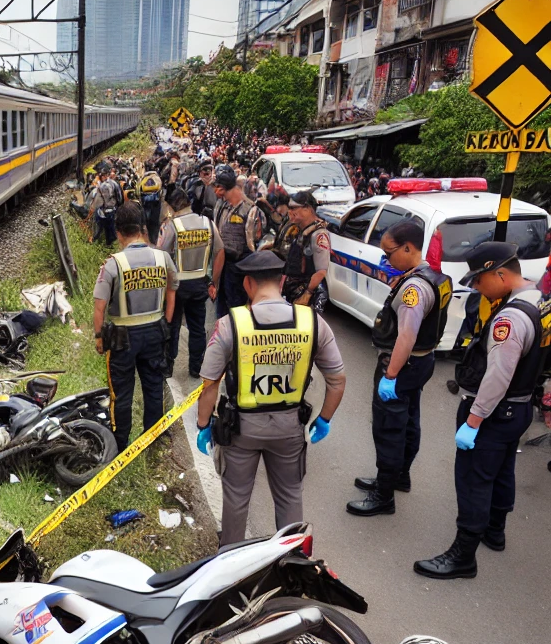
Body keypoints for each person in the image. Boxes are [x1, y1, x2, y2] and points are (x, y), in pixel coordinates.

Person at [414, 244, 551, 579]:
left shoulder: (509, 318)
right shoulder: (537, 298)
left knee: (474, 479)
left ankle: (463, 556)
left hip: (494, 411)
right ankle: (495, 530)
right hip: (517, 410)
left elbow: (498, 376)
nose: (476, 288)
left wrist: (474, 421)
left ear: (500, 274)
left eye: (479, 280)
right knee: (502, 469)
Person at [195, 251, 345, 544]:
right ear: (283, 280)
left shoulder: (231, 324)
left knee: (237, 500)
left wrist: (203, 425)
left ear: (248, 283)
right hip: (289, 427)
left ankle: (231, 566)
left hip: (241, 429)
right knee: (290, 496)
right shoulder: (312, 322)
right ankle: (291, 563)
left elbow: (210, 383)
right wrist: (324, 419)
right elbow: (337, 380)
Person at [348, 220, 451, 516]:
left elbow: (406, 336)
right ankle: (397, 477)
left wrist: (390, 375)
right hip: (422, 362)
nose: (386, 260)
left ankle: (384, 495)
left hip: (402, 364)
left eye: (389, 253)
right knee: (408, 420)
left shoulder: (414, 288)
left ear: (408, 248)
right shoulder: (434, 276)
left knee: (390, 427)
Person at [93, 201, 178, 452]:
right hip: (155, 331)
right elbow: (172, 291)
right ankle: (152, 438)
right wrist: (167, 322)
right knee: (153, 386)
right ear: (142, 228)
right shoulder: (162, 258)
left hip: (122, 337)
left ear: (118, 232)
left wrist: (99, 336)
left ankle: (120, 444)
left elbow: (100, 306)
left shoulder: (112, 264)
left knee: (122, 392)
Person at [158, 187, 223, 378]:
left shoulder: (172, 226)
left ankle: (168, 366)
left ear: (171, 206)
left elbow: (161, 254)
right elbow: (220, 252)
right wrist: (214, 282)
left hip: (176, 286)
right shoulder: (207, 223)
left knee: (172, 325)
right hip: (200, 283)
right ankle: (196, 367)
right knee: (197, 327)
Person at [213, 164, 264, 314]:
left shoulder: (251, 211)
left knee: (237, 311)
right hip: (223, 266)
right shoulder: (222, 206)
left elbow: (255, 244)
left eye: (219, 188)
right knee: (222, 309)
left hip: (240, 268)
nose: (216, 192)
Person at [281, 192, 331, 313]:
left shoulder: (319, 235)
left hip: (304, 293)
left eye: (293, 208)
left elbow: (321, 271)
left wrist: (307, 294)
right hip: (291, 289)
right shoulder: (298, 229)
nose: (290, 211)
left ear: (307, 209)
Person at [89, 162, 123, 247]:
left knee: (99, 229)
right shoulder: (114, 184)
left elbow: (97, 201)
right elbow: (120, 197)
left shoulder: (100, 187)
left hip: (101, 212)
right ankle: (110, 244)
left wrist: (93, 208)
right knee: (110, 229)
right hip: (112, 211)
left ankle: (95, 242)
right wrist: (119, 207)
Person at [138, 170, 164, 243]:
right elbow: (161, 194)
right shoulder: (157, 179)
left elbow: (139, 194)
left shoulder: (143, 179)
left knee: (147, 223)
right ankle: (154, 240)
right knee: (155, 224)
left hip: (146, 204)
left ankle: (148, 239)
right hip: (155, 204)